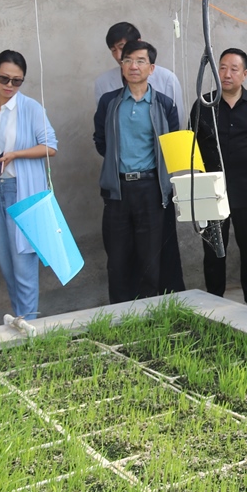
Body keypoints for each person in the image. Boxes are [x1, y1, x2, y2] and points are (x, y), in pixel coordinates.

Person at [94, 21, 185, 294]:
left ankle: (150, 312)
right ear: (121, 66)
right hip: (118, 189)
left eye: (140, 61)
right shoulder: (109, 102)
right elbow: (101, 141)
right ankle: (120, 313)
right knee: (117, 260)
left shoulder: (164, 104)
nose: (134, 66)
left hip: (151, 189)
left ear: (151, 68)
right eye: (128, 60)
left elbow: (173, 143)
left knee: (151, 259)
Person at [0, 50, 58, 321]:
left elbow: (50, 146)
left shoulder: (31, 108)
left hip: (22, 191)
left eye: (17, 81)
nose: (9, 85)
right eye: (4, 79)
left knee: (24, 264)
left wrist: (15, 154)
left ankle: (30, 327)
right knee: (6, 264)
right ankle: (20, 323)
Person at [191, 48, 247, 310]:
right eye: (222, 68)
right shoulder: (203, 105)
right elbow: (193, 146)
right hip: (212, 190)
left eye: (234, 69)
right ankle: (214, 298)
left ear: (244, 74)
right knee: (214, 247)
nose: (227, 74)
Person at [94, 22, 186, 125]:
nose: (118, 56)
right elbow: (104, 124)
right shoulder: (103, 82)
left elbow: (176, 122)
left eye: (122, 47)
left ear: (138, 42)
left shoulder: (167, 79)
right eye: (113, 50)